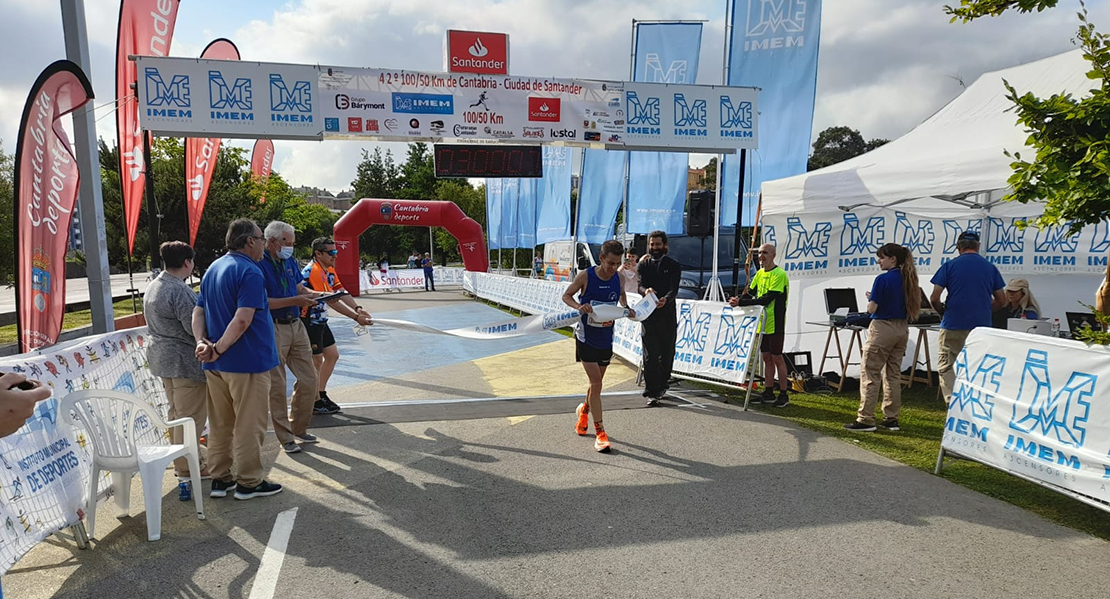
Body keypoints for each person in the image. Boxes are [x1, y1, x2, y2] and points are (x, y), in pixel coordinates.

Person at [192, 219, 283, 501]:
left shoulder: (213, 269)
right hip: (247, 362)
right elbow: (243, 319)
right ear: (249, 241)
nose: (264, 244)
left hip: (216, 364)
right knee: (249, 424)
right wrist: (218, 347)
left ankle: (221, 478)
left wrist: (203, 343)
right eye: (261, 238)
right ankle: (249, 481)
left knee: (220, 424)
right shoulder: (250, 272)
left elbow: (198, 312)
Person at [144, 241, 210, 482]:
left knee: (176, 414)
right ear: (187, 263)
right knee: (190, 418)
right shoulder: (179, 290)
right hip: (183, 360)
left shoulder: (154, 285)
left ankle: (183, 463)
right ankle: (189, 466)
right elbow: (193, 326)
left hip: (162, 358)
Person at [563, 240, 634, 453]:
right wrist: (579, 306)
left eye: (617, 263)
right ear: (601, 258)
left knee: (597, 384)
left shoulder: (619, 278)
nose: (613, 267)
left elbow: (621, 295)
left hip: (606, 338)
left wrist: (626, 307)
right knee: (596, 383)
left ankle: (584, 411)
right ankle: (600, 432)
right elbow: (566, 295)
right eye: (610, 263)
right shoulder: (586, 276)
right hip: (586, 338)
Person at [260, 221, 323, 454]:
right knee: (277, 385)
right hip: (274, 326)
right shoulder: (259, 264)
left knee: (309, 378)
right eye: (288, 243)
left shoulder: (289, 261)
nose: (291, 247)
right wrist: (294, 301)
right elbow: (261, 302)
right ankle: (285, 437)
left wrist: (320, 295)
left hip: (296, 324)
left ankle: (299, 427)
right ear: (273, 241)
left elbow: (300, 289)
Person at [845, 244, 921, 432]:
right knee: (893, 375)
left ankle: (866, 419)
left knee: (870, 373)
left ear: (892, 259)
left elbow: (872, 309)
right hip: (902, 328)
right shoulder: (909, 279)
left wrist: (872, 299)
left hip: (882, 328)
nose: (879, 261)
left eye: (881, 257)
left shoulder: (882, 279)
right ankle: (891, 418)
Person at [930, 230, 1006, 405]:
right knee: (976, 365)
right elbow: (1002, 300)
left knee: (947, 365)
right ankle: (974, 402)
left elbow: (935, 297)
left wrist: (943, 311)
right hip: (981, 328)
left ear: (958, 247)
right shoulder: (990, 267)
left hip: (953, 323)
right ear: (978, 247)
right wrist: (985, 310)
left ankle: (953, 402)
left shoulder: (949, 266)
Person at [302, 237, 374, 412]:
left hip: (320, 320)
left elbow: (341, 292)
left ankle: (320, 393)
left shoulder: (329, 269)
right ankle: (314, 401)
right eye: (331, 252)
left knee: (332, 355)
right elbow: (332, 301)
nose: (335, 256)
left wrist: (358, 308)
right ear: (318, 254)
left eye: (336, 252)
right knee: (316, 361)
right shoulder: (314, 270)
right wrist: (355, 317)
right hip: (308, 321)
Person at [729, 243, 790, 407]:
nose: (761, 256)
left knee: (777, 357)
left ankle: (784, 394)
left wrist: (742, 302)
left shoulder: (779, 274)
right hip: (762, 323)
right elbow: (751, 292)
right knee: (766, 358)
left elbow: (767, 299)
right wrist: (737, 299)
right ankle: (769, 390)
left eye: (765, 253)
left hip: (775, 323)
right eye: (760, 253)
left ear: (773, 255)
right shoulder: (760, 274)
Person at [637, 231, 681, 406]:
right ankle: (652, 390)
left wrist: (666, 299)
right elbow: (639, 285)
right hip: (648, 315)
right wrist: (646, 291)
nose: (654, 247)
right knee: (650, 355)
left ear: (665, 245)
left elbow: (674, 288)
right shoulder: (644, 265)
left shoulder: (674, 265)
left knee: (666, 353)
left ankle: (662, 384)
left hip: (667, 314)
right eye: (652, 244)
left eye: (658, 244)